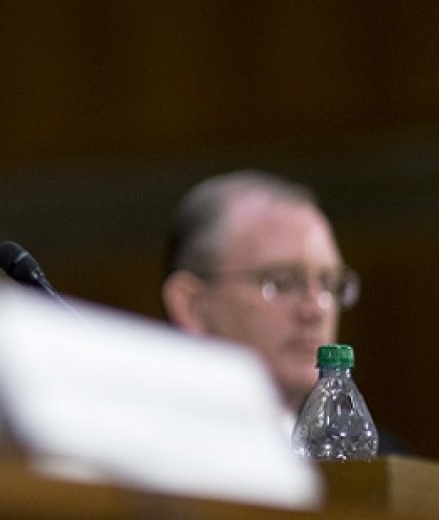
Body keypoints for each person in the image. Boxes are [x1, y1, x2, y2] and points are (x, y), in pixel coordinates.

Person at [160, 170, 408, 454]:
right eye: (282, 283)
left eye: (329, 284)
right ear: (193, 306)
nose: (315, 309)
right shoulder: (146, 456)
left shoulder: (377, 464)